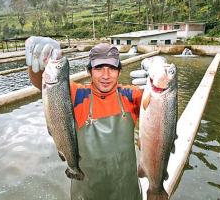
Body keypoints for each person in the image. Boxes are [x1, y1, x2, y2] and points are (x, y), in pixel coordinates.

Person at [26, 36, 143, 200]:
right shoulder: (76, 94)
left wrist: (155, 82)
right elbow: (43, 81)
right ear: (89, 71)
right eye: (99, 68)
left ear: (119, 71)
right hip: (87, 193)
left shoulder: (131, 95)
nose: (106, 75)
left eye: (112, 68)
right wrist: (38, 62)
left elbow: (158, 107)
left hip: (127, 192)